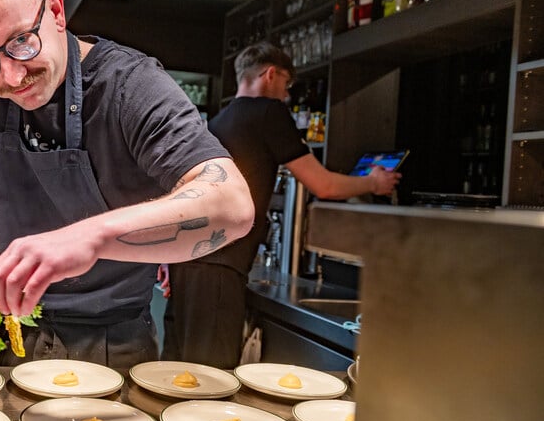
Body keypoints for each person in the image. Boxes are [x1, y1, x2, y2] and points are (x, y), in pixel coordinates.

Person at [0, 0, 255, 368]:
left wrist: (88, 237)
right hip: (9, 335)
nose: (11, 75)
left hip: (112, 346)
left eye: (22, 41)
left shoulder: (131, 84)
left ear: (57, 12)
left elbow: (232, 204)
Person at [161, 42, 401, 369]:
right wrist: (374, 182)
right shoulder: (269, 113)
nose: (287, 95)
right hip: (220, 266)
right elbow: (324, 185)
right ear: (270, 74)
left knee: (176, 373)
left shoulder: (219, 121)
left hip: (187, 262)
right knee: (209, 380)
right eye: (287, 85)